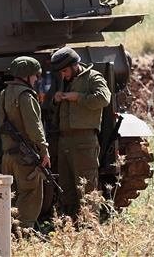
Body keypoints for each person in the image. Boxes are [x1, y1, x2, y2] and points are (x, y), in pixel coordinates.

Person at [48, 46, 111, 218]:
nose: (63, 75)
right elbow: (49, 108)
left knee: (87, 186)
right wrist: (55, 100)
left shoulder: (93, 77)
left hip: (84, 140)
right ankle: (71, 224)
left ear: (75, 65)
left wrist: (79, 97)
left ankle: (90, 225)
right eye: (61, 72)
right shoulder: (63, 81)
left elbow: (104, 98)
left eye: (65, 71)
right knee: (66, 187)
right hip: (64, 141)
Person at [0, 56, 49, 229]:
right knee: (30, 195)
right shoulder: (25, 95)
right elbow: (34, 128)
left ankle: (8, 234)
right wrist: (44, 150)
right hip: (25, 158)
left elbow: (1, 125)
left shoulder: (4, 94)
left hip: (8, 156)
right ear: (26, 76)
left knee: (10, 197)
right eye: (35, 75)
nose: (36, 79)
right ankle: (23, 234)